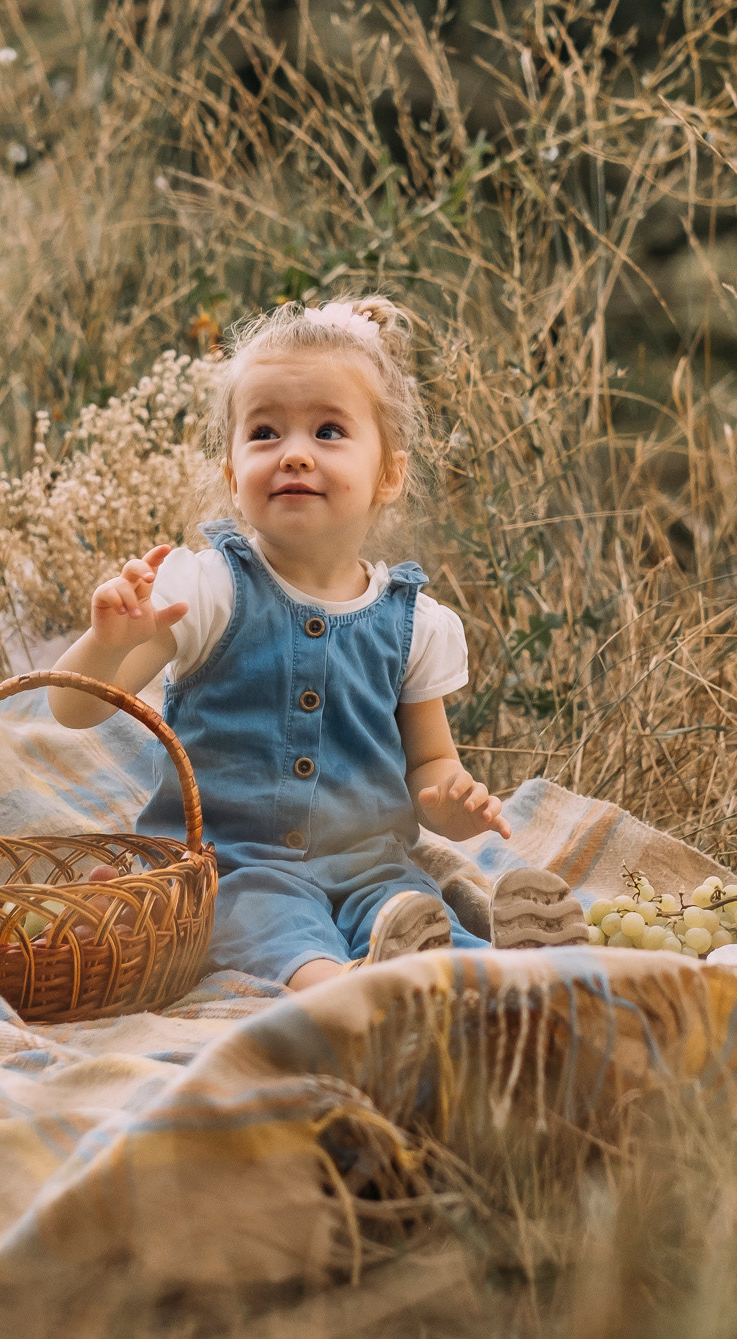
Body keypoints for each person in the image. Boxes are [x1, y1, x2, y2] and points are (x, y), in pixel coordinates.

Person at [49, 297, 586, 989]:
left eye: (329, 431)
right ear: (232, 476)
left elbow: (430, 763)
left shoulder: (414, 623)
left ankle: (505, 971)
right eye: (265, 432)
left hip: (369, 865)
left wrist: (450, 803)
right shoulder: (206, 589)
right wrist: (105, 643)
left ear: (389, 474)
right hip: (231, 863)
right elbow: (73, 708)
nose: (295, 452)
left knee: (409, 910)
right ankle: (345, 993)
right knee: (271, 925)